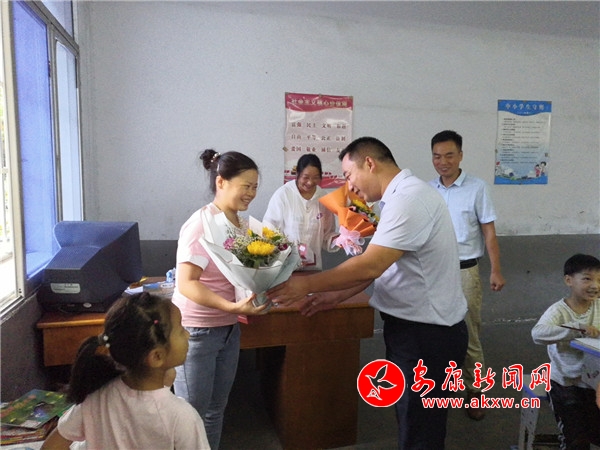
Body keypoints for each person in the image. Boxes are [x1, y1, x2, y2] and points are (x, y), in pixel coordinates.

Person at [268, 136, 468, 449]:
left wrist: (304, 285)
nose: (349, 187)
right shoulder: (397, 199)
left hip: (427, 335)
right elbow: (386, 265)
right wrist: (336, 296)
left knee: (420, 429)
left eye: (349, 176)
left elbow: (371, 264)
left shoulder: (410, 199)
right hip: (413, 330)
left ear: (370, 164)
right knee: (412, 421)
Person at [172, 149, 268, 450]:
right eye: (245, 186)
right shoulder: (201, 224)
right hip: (197, 332)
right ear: (221, 182)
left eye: (255, 187)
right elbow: (187, 283)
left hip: (228, 329)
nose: (251, 193)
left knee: (216, 410)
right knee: (190, 415)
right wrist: (231, 307)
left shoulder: (241, 225)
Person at [41, 292, 209, 450]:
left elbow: (51, 446)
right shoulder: (182, 416)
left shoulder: (96, 397)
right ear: (157, 356)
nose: (187, 335)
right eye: (181, 330)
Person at [429, 129, 506, 420]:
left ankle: (475, 391)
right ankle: (439, 387)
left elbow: (489, 233)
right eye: (437, 156)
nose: (443, 162)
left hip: (465, 271)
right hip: (434, 273)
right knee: (435, 332)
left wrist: (496, 270)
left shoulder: (477, 188)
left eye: (449, 155)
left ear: (460, 155)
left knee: (469, 333)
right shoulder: (427, 190)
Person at [531, 253, 600, 449]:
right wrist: (575, 329)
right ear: (569, 280)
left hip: (594, 383)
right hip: (564, 382)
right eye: (587, 279)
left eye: (599, 280)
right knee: (576, 438)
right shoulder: (558, 311)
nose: (595, 285)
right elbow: (537, 334)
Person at [263, 153, 338, 270]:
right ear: (297, 174)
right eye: (306, 177)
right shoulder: (284, 194)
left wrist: (342, 239)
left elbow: (327, 235)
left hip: (312, 268)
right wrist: (285, 251)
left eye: (315, 177)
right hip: (285, 267)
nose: (310, 182)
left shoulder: (324, 198)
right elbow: (269, 230)